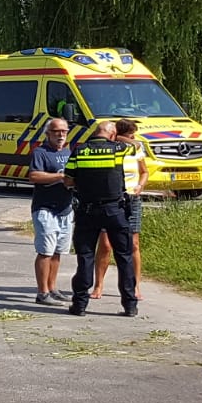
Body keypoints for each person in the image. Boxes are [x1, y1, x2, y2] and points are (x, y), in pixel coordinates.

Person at [65, 121, 137, 316]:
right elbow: (136, 146)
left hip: (87, 211)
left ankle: (79, 305)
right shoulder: (117, 149)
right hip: (114, 211)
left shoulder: (80, 151)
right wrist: (118, 137)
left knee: (85, 257)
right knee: (124, 257)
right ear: (112, 135)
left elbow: (68, 180)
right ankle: (130, 306)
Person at [92, 118, 148, 300]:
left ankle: (135, 286)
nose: (134, 137)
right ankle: (98, 285)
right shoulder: (110, 149)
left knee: (133, 244)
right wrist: (122, 139)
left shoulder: (136, 149)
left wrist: (141, 185)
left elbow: (144, 171)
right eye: (130, 134)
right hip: (110, 199)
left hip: (131, 198)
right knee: (106, 244)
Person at [26, 117, 74, 304]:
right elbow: (34, 176)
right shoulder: (41, 152)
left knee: (57, 251)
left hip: (65, 208)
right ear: (48, 134)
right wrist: (61, 177)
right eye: (56, 131)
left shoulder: (69, 152)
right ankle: (42, 292)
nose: (61, 135)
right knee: (45, 251)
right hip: (45, 208)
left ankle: (53, 287)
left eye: (64, 131)